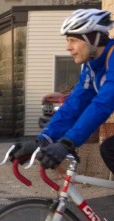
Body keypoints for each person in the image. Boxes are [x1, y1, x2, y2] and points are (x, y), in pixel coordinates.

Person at [9, 8, 114, 169]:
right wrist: (43, 139)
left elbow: (102, 104)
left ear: (92, 39)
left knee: (110, 148)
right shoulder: (92, 68)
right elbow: (74, 105)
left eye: (73, 40)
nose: (68, 47)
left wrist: (68, 142)